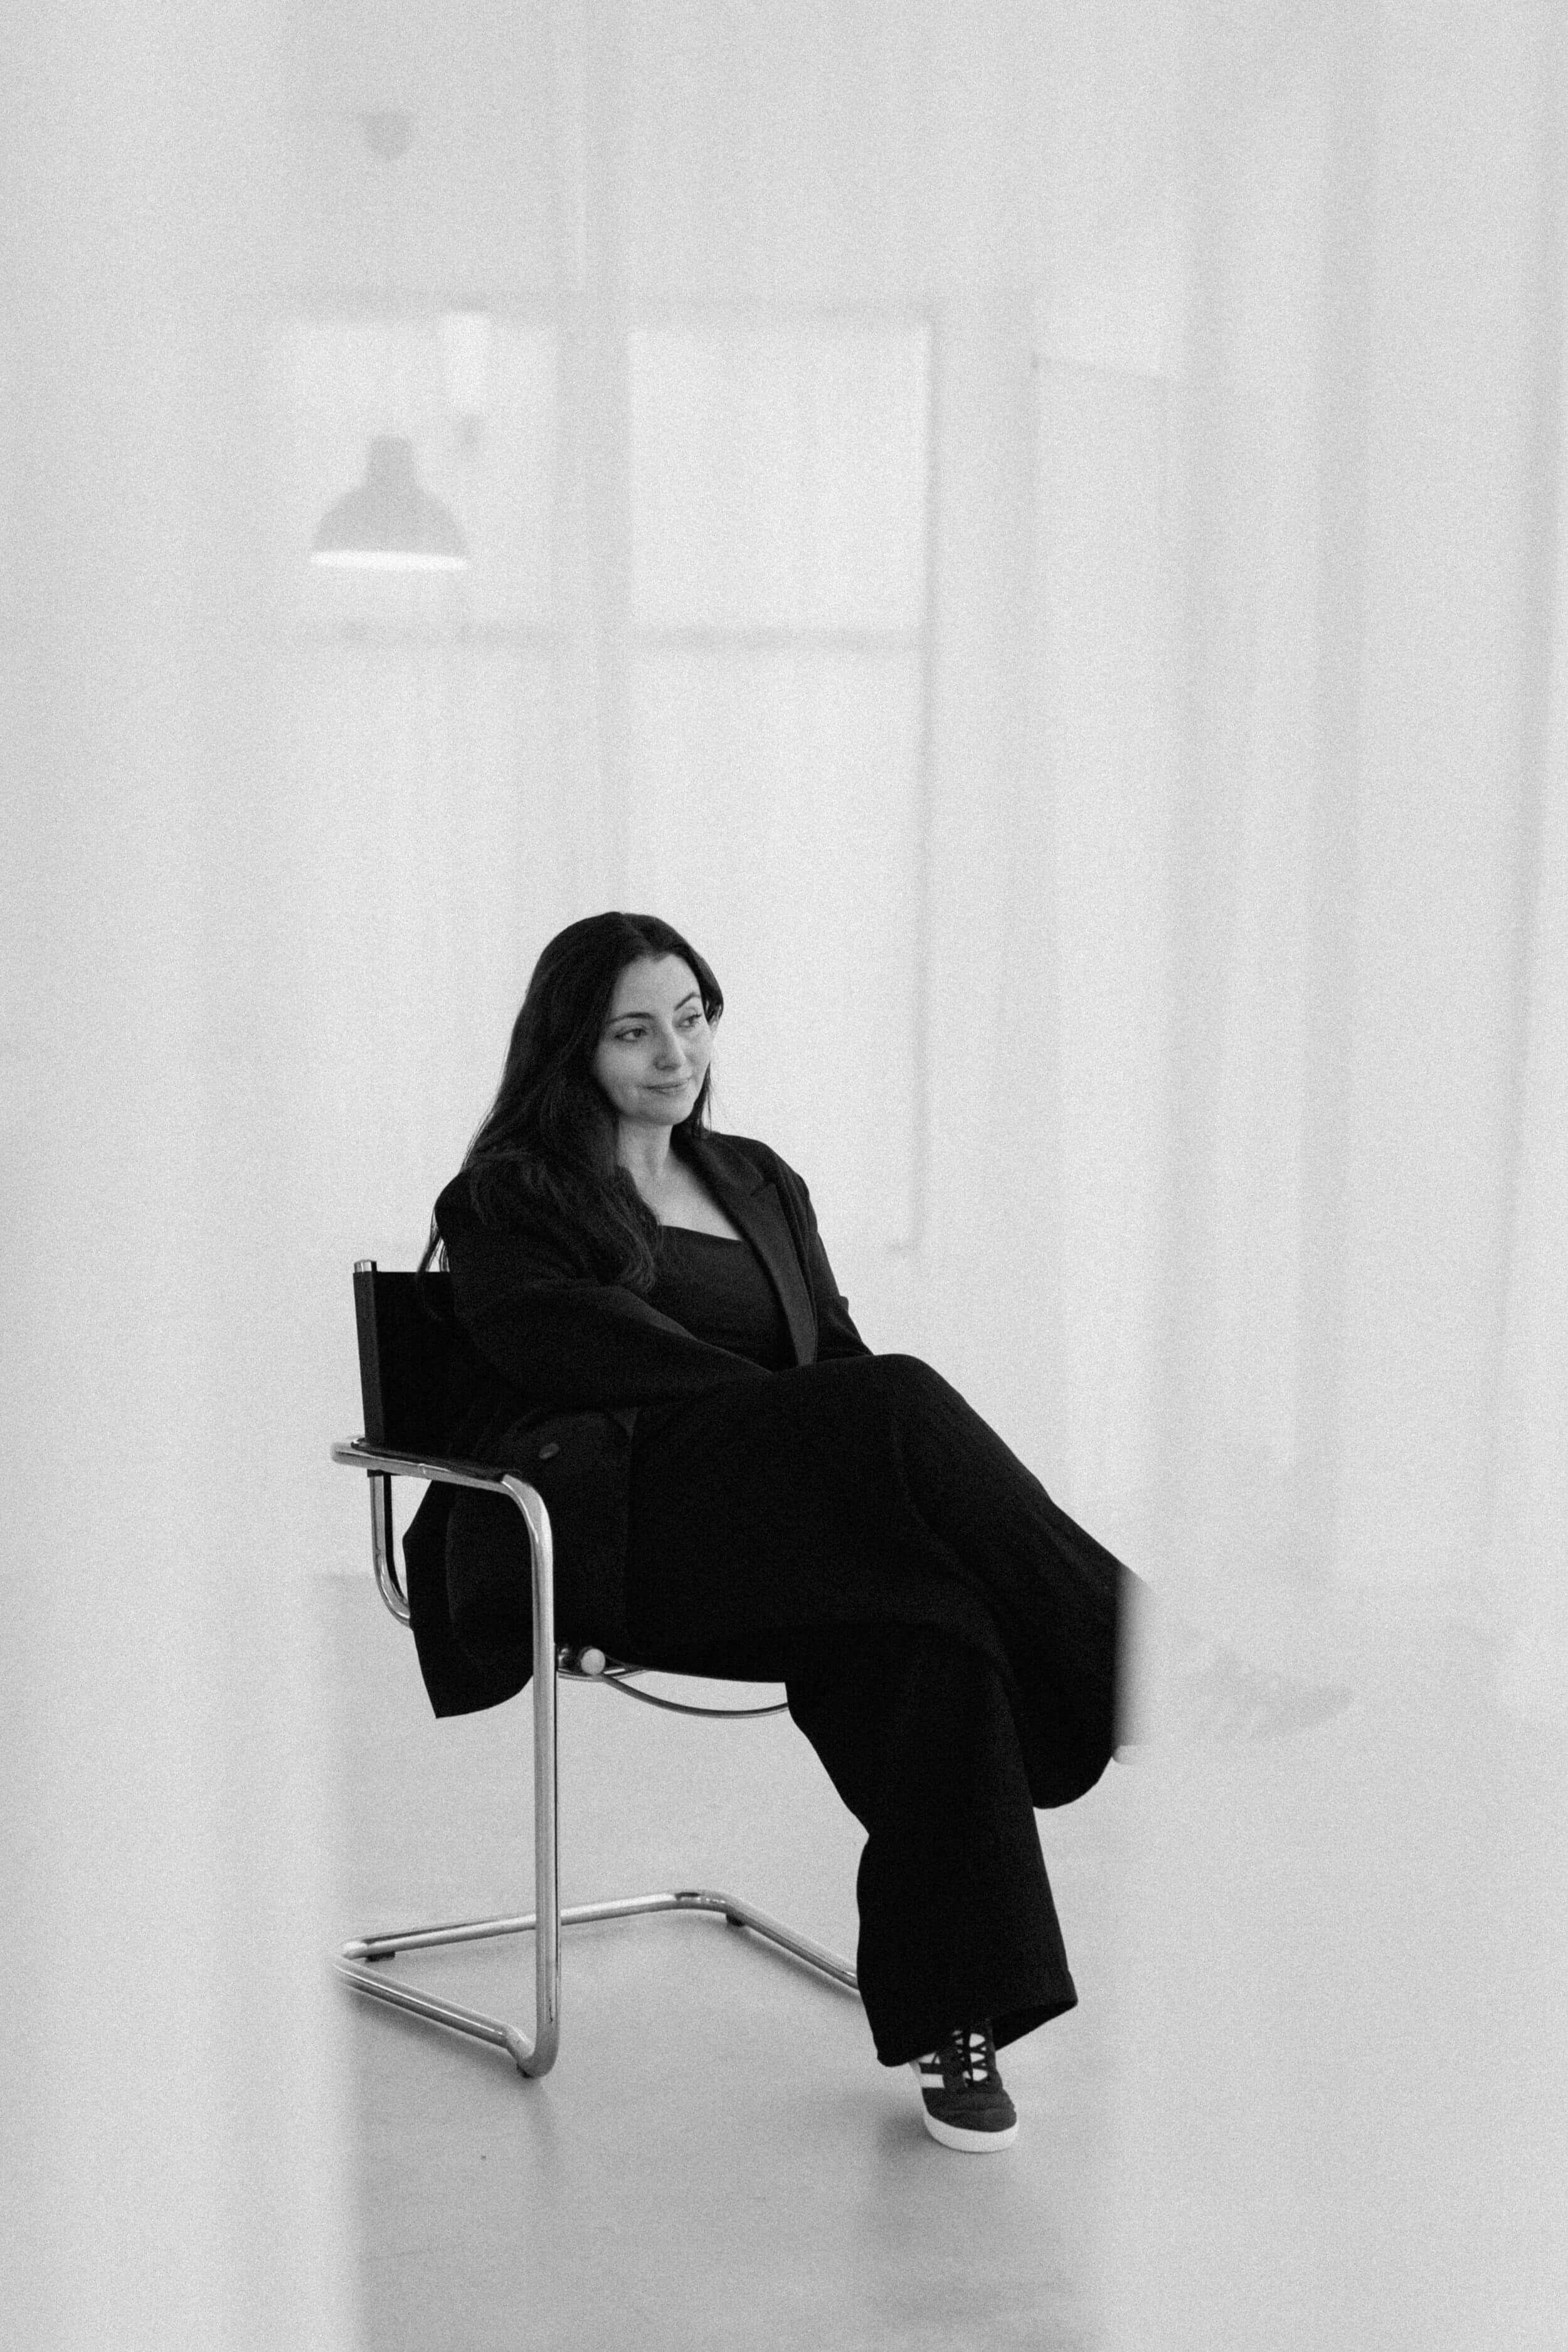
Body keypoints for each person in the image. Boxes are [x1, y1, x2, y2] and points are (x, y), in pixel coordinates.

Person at [403, 910, 1346, 2153]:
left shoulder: (754, 1180)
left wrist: (827, 1435)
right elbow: (581, 1358)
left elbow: (826, 1359)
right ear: (570, 1047)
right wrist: (811, 1429)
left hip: (779, 1530)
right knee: (890, 1399)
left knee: (934, 1628)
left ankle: (962, 2021)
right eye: (633, 1032)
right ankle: (1144, 1662)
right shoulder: (509, 1198)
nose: (672, 1053)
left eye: (689, 1019)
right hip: (619, 1536)